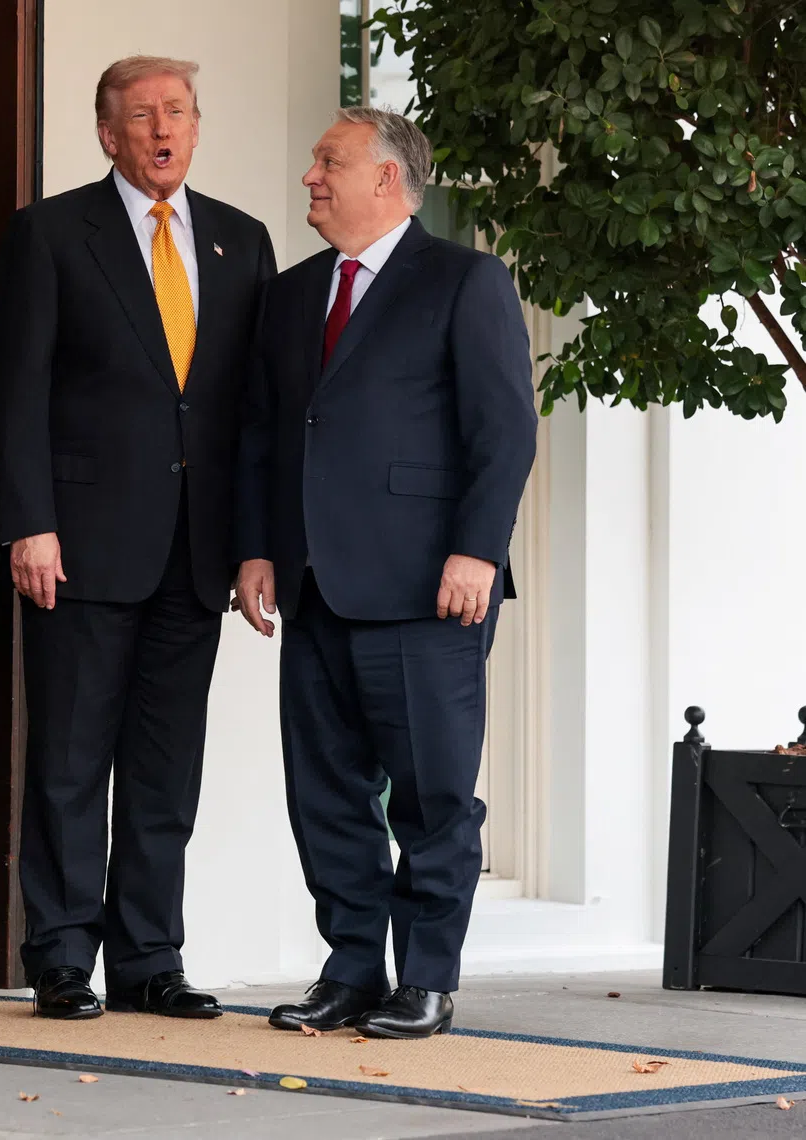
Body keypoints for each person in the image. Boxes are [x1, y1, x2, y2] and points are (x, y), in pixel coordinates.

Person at [235, 108, 537, 1040]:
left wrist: (477, 549)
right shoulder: (290, 298)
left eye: (328, 162)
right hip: (314, 586)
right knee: (325, 794)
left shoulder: (465, 280)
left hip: (427, 587)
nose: (310, 178)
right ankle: (353, 972)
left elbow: (505, 429)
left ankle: (430, 981)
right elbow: (262, 434)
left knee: (433, 797)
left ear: (388, 181)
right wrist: (255, 546)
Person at [0, 57, 275, 1020]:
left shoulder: (242, 241)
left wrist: (254, 544)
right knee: (70, 760)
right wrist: (28, 521)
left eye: (179, 112)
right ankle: (63, 957)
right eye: (143, 115)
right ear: (106, 133)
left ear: (197, 128)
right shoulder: (52, 232)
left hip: (198, 554)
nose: (164, 128)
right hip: (78, 543)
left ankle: (151, 960)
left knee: (164, 767)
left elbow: (254, 413)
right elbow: (16, 391)